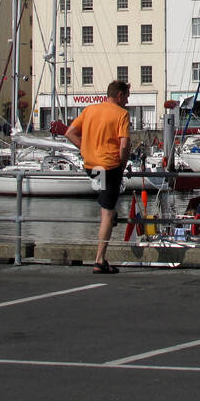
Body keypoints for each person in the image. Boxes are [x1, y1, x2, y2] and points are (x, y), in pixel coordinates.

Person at [65, 80, 131, 275]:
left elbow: (70, 132)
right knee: (108, 212)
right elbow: (125, 145)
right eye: (126, 96)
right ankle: (99, 260)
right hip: (110, 167)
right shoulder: (122, 114)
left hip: (92, 166)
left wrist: (86, 149)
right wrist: (123, 162)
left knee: (106, 204)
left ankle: (110, 214)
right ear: (119, 95)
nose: (127, 100)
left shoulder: (90, 110)